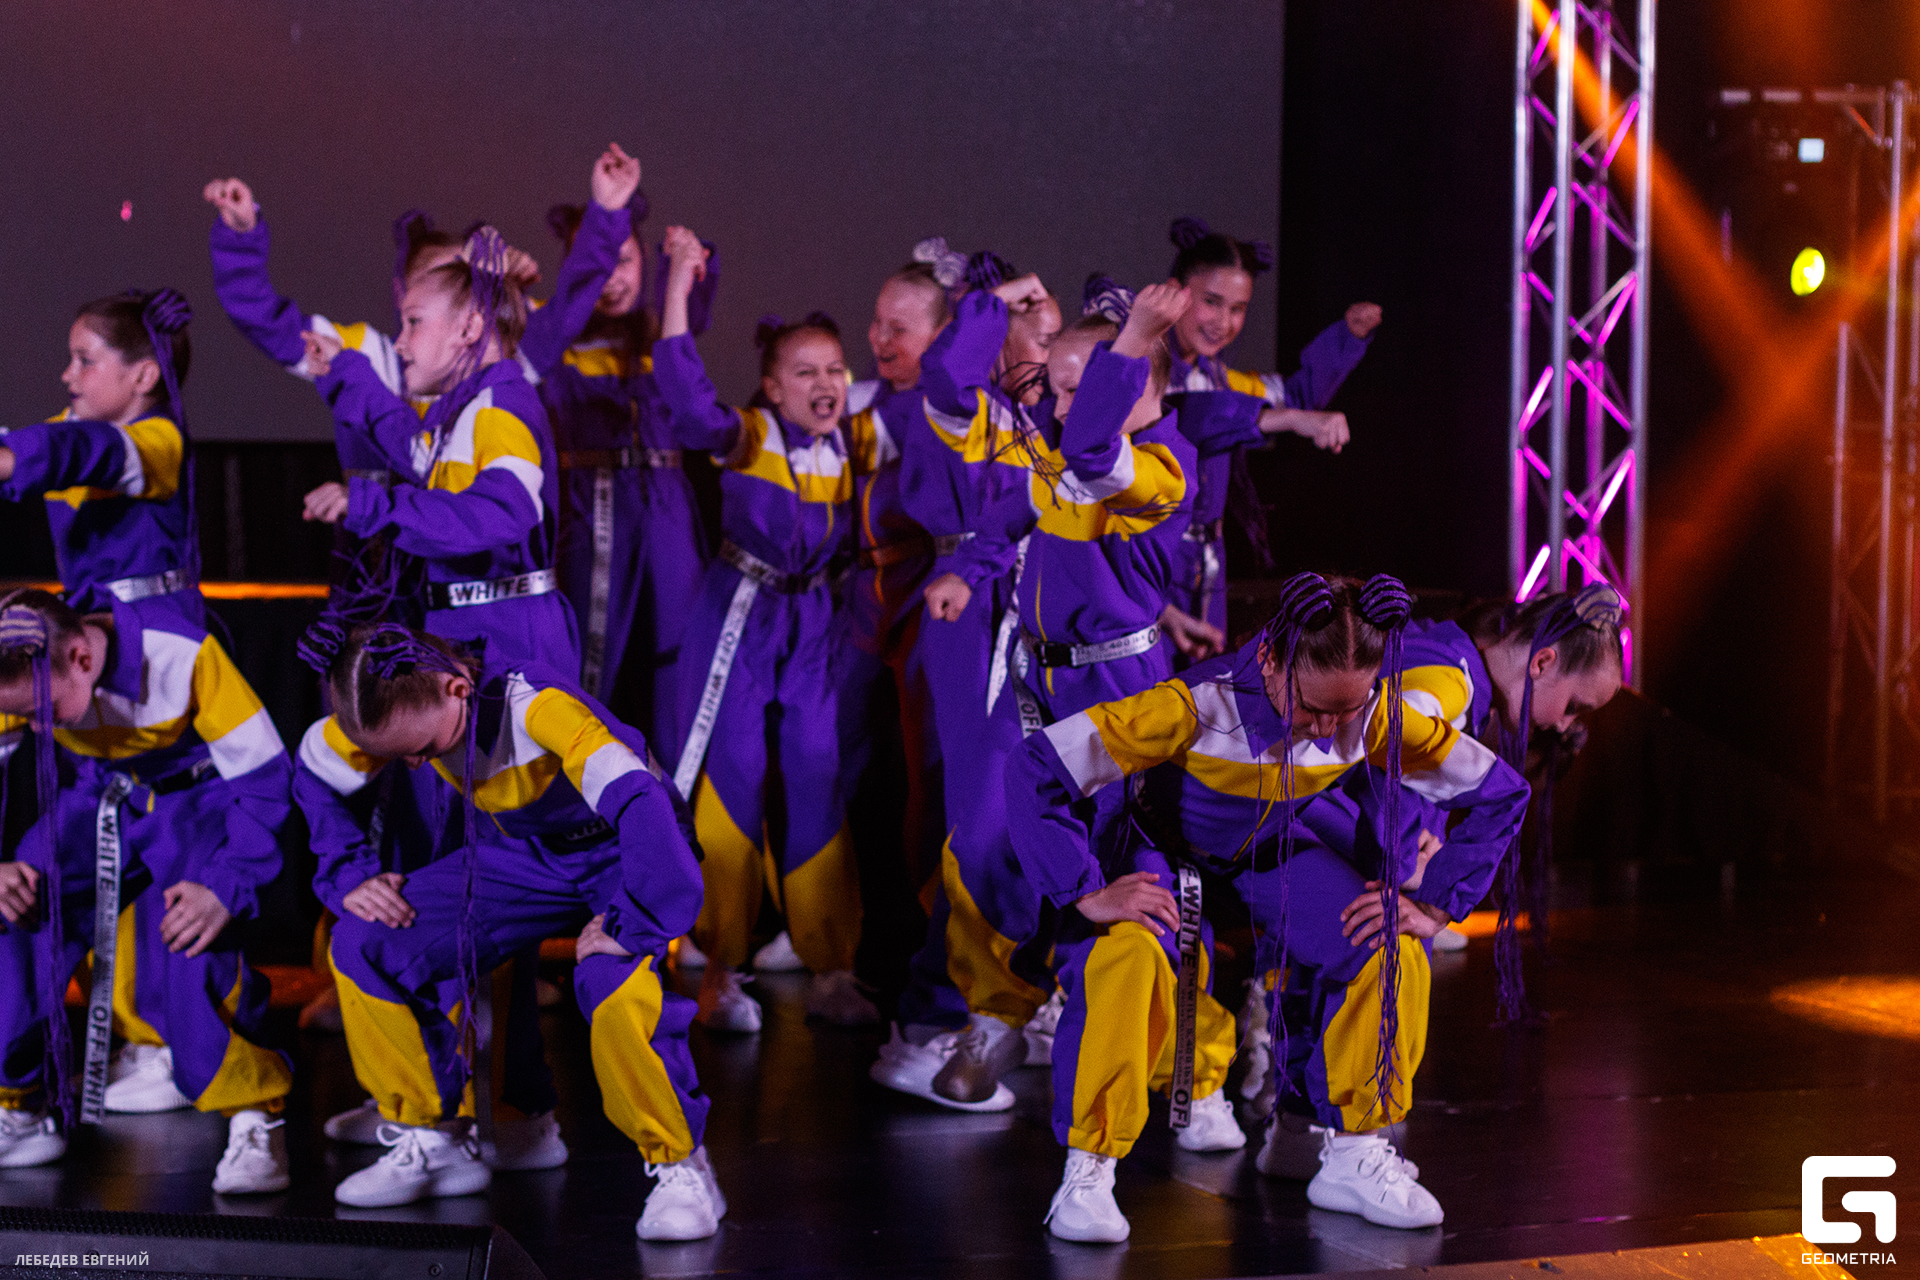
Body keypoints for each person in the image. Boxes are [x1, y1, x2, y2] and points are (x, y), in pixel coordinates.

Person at [1008, 573, 1531, 1241]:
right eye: (1313, 709)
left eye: (1349, 710)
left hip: (1269, 857)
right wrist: (1086, 890)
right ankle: (1088, 1171)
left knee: (1388, 943)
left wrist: (1434, 904)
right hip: (1168, 855)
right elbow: (1036, 767)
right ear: (1271, 660)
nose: (1329, 730)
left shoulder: (1372, 718)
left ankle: (1354, 1154)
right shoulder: (1194, 706)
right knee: (1128, 951)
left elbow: (1499, 791)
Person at [292, 618, 724, 1238]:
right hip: (532, 857)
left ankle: (683, 1167)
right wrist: (348, 873)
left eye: (423, 749)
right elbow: (312, 770)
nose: (413, 763)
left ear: (457, 688)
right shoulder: (395, 701)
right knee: (365, 941)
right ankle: (434, 1138)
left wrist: (636, 920)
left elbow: (642, 800)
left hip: (625, 851)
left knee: (613, 981)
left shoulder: (537, 706)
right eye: (397, 755)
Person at [652, 225, 890, 1031]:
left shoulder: (856, 438)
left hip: (816, 622)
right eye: (805, 372)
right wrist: (679, 282)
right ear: (772, 387)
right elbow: (686, 398)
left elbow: (937, 392)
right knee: (734, 784)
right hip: (740, 618)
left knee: (818, 778)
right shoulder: (749, 437)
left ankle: (831, 964)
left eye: (834, 370)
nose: (824, 385)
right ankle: (718, 969)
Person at [0, 589, 294, 1194]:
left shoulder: (182, 652)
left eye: (44, 711)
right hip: (103, 793)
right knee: (20, 901)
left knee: (194, 929)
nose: (36, 727)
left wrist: (226, 886)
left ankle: (256, 1117)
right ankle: (19, 1106)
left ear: (83, 658)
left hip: (200, 798)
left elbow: (266, 778)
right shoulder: (18, 665)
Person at [534, 146, 719, 745]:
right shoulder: (557, 339)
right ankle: (584, 775)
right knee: (593, 650)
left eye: (627, 261)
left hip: (666, 503)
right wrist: (605, 217)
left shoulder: (659, 332)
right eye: (600, 265)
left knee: (681, 646)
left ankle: (678, 787)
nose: (614, 279)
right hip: (594, 505)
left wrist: (688, 266)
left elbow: (693, 314)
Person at [1161, 216, 1380, 645]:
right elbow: (1190, 415)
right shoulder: (1144, 368)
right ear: (1174, 291)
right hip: (1155, 557)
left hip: (1206, 561)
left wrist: (1346, 338)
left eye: (1238, 308)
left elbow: (1291, 397)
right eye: (1211, 302)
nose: (1223, 322)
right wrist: (1294, 419)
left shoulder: (1218, 377)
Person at [0, 290, 202, 622]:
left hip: (155, 626)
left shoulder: (161, 441)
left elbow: (86, 450)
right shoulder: (65, 432)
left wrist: (11, 459)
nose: (67, 374)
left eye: (85, 361)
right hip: (89, 619)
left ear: (143, 376)